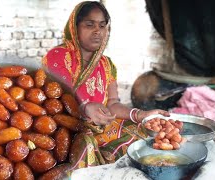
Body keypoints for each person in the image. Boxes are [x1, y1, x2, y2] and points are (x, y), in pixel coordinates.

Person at [43, 0, 169, 171]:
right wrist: (84, 107)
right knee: (84, 144)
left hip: (100, 127)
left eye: (103, 26)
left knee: (142, 132)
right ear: (75, 26)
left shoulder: (106, 64)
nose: (98, 31)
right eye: (89, 24)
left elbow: (113, 104)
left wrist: (141, 114)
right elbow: (54, 100)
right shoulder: (58, 56)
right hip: (66, 127)